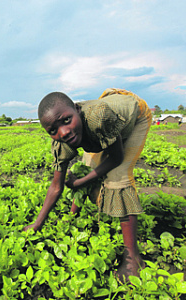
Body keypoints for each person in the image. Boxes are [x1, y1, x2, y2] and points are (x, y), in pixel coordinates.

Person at [24, 88, 152, 281]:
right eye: (53, 130)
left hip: (135, 113)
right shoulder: (62, 142)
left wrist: (80, 182)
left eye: (66, 120)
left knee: (118, 177)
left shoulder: (97, 119)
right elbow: (56, 186)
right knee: (87, 167)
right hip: (104, 117)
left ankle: (133, 260)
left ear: (76, 109)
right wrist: (37, 224)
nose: (64, 132)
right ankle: (72, 215)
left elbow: (115, 158)